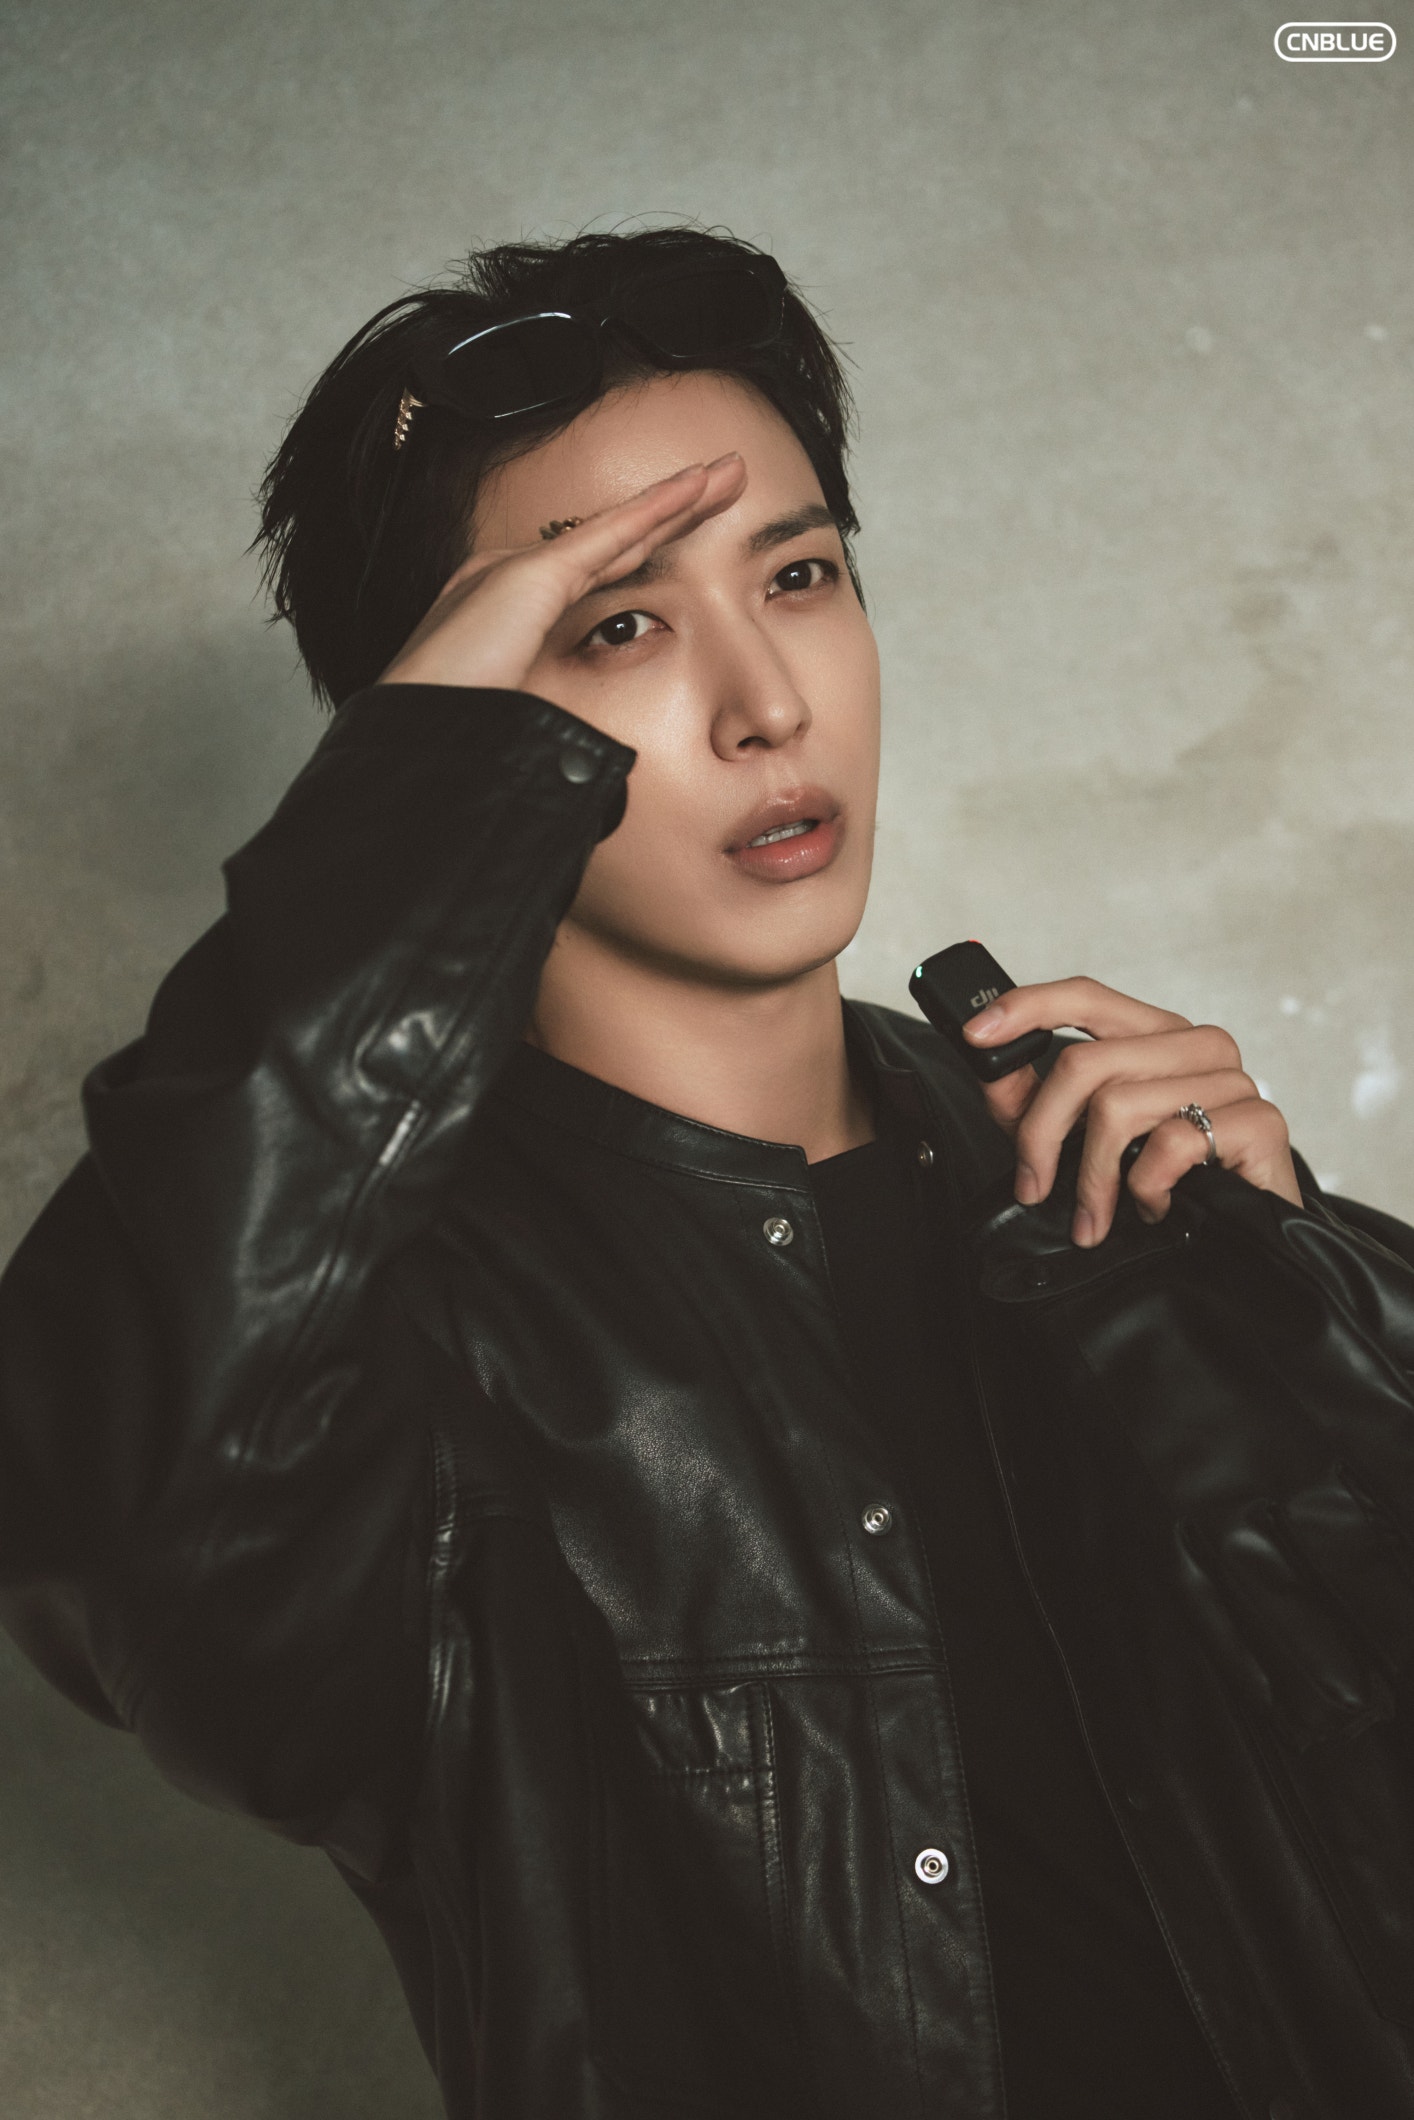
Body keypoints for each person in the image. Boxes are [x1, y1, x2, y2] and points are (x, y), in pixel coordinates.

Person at [1, 224, 1412, 2120]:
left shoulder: (1103, 1161)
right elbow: (119, 1519)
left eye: (800, 574)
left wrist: (1321, 1318)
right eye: (617, 624)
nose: (766, 703)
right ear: (441, 740)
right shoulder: (388, 1340)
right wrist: (399, 812)